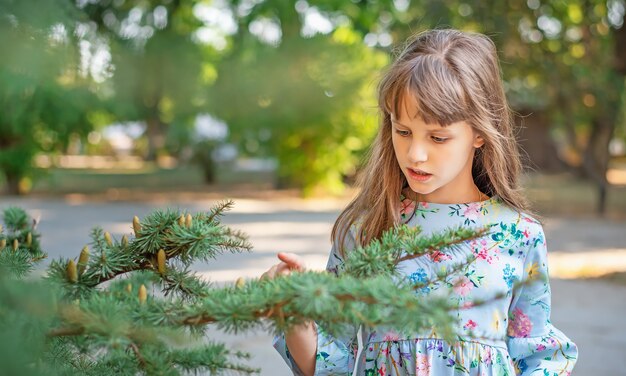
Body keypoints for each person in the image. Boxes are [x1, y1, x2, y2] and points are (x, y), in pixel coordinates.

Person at [262, 29, 578, 375]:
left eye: (438, 137)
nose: (416, 154)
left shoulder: (517, 233)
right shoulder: (366, 230)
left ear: (479, 133)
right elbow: (326, 363)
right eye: (403, 131)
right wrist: (293, 313)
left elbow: (539, 356)